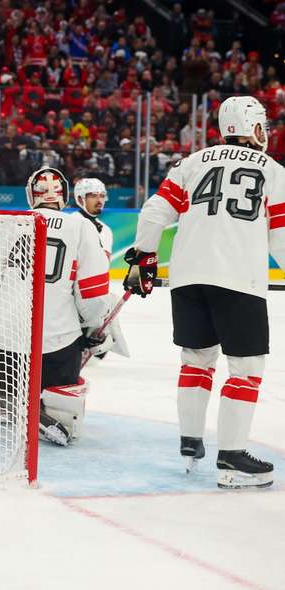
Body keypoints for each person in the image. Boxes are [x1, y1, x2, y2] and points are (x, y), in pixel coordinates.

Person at [123, 96, 285, 489]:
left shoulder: (193, 163)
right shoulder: (274, 171)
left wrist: (142, 256)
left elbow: (153, 213)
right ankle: (231, 458)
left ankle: (190, 442)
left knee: (196, 359)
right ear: (255, 128)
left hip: (187, 277)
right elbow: (280, 235)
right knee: (245, 369)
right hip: (238, 278)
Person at [0, 167, 113, 446]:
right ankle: (41, 409)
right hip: (57, 347)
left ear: (30, 196)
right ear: (66, 196)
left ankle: (12, 403)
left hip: (3, 346)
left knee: (2, 392)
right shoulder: (81, 227)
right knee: (64, 403)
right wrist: (92, 329)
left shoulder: (11, 223)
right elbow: (94, 293)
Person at [72, 178, 113, 259]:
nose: (99, 200)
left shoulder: (106, 230)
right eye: (93, 196)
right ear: (80, 199)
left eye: (102, 196)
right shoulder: (71, 222)